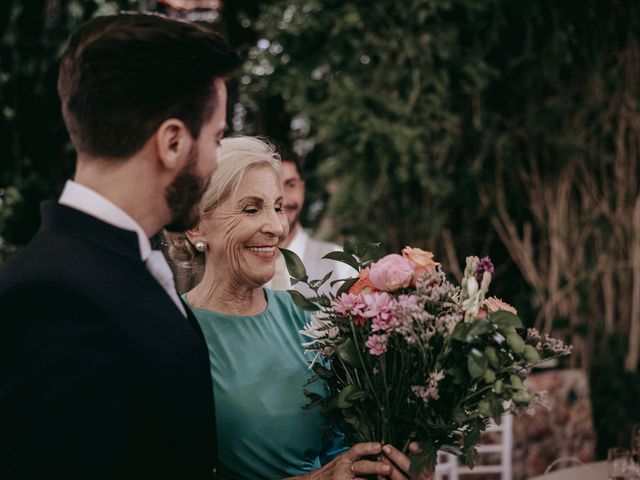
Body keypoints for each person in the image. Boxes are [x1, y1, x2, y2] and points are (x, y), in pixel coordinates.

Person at [0, 13, 238, 479]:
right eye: (218, 138)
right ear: (172, 142)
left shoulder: (113, 265)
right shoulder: (51, 299)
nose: (216, 159)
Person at [165, 136, 427, 480]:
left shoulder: (311, 318)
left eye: (277, 207)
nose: (276, 226)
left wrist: (399, 459)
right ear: (197, 224)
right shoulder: (176, 339)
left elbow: (349, 445)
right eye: (251, 208)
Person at [267, 148, 355, 295]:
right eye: (272, 187)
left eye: (290, 185)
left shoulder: (344, 265)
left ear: (302, 189)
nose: (283, 200)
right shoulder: (239, 271)